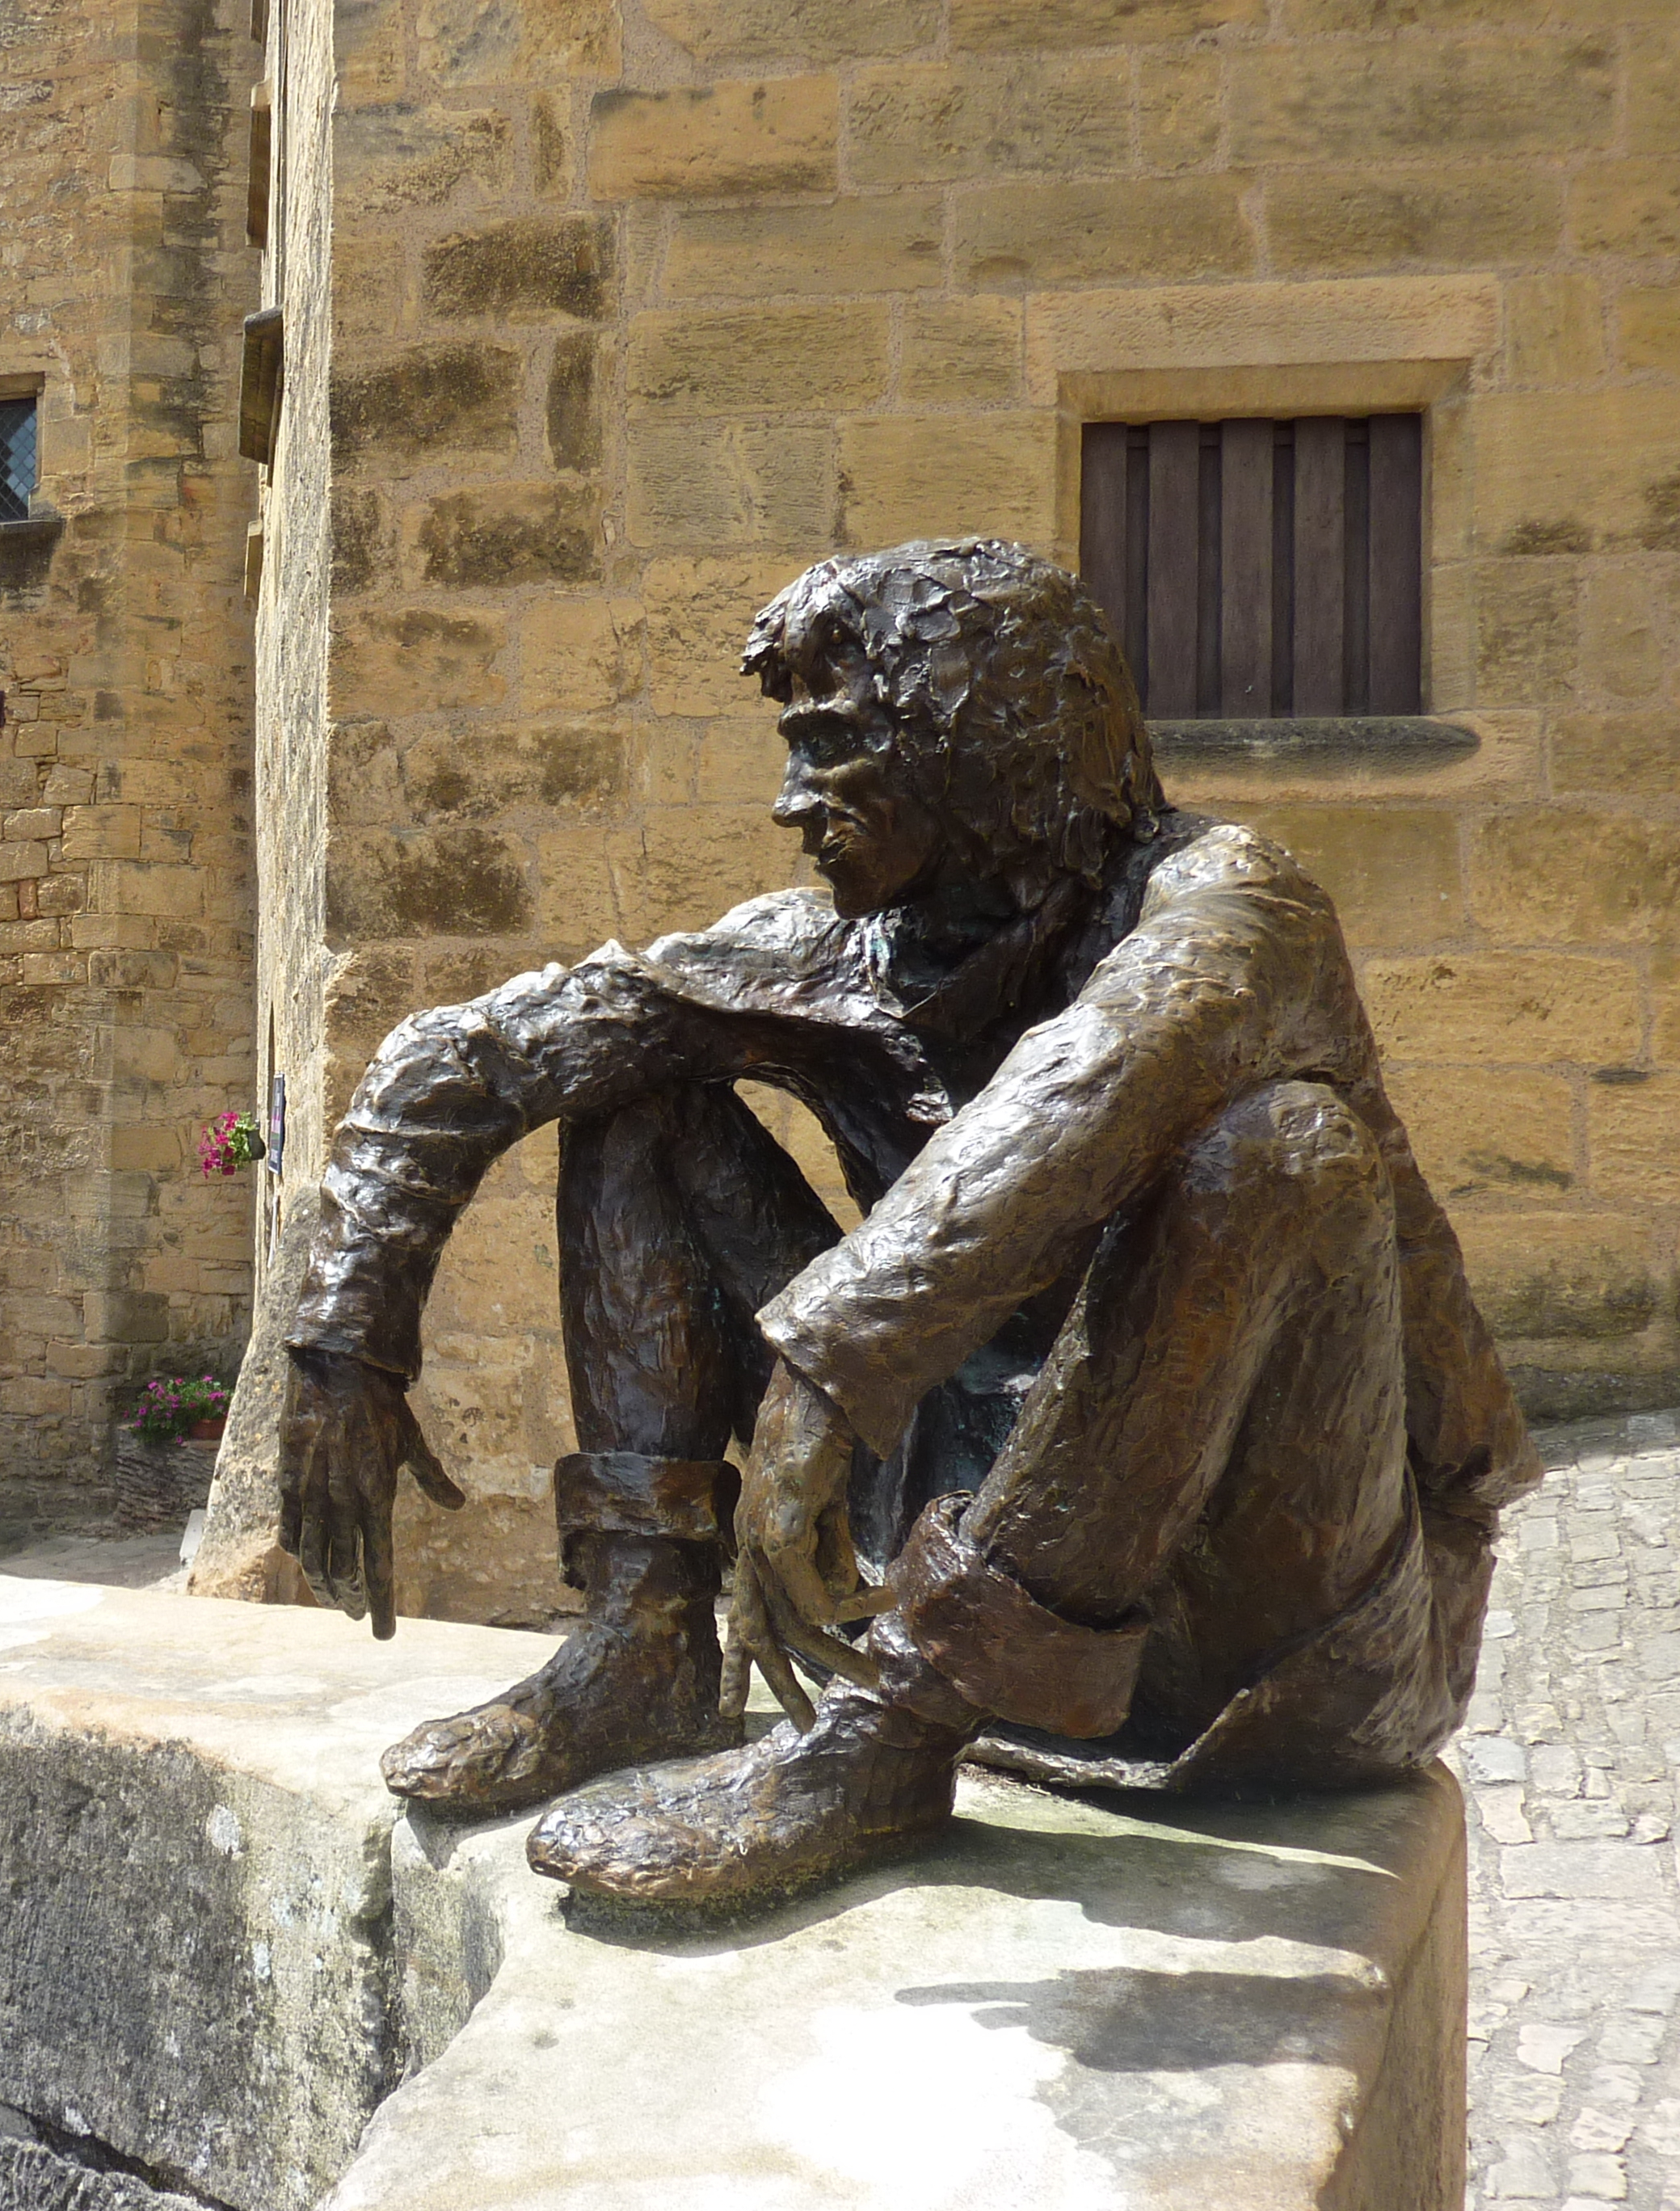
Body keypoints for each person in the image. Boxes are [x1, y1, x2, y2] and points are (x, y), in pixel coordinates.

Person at [275, 537, 1540, 1914]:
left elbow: (1094, 1079)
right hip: (946, 1521)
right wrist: (347, 1333)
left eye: (829, 751)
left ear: (974, 744)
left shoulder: (1235, 904)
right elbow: (466, 1055)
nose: (786, 803)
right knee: (638, 1091)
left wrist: (825, 1367)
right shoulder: (834, 948)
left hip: (1269, 1635)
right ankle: (640, 1648)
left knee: (1280, 1155)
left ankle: (882, 1746)